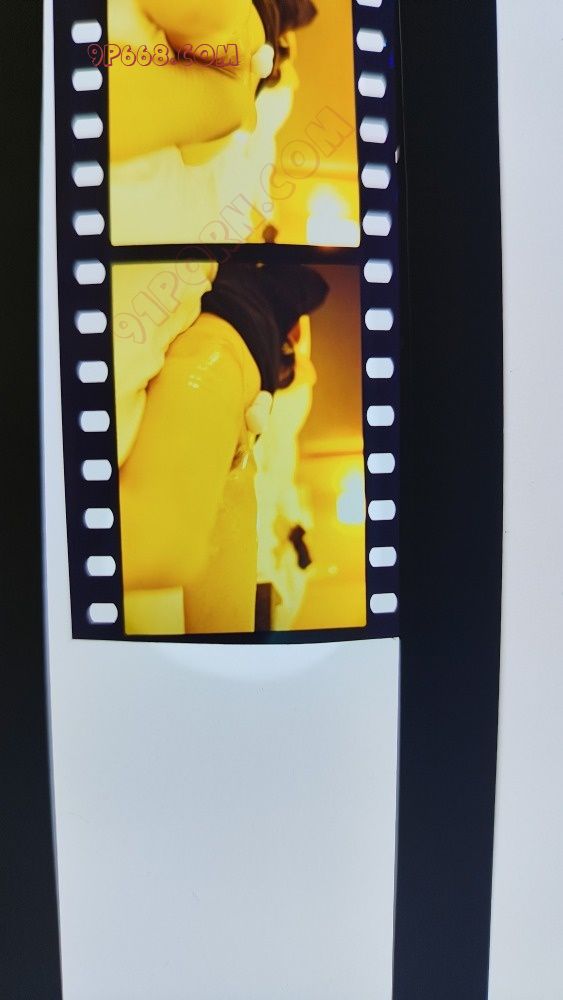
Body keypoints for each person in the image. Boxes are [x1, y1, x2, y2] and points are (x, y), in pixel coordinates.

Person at [117, 263, 328, 635]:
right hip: (237, 337)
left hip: (240, 340)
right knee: (169, 538)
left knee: (172, 537)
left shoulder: (265, 334)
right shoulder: (252, 322)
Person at [108, 0, 319, 244]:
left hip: (254, 38)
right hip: (249, 53)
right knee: (230, 104)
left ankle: (239, 106)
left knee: (230, 98)